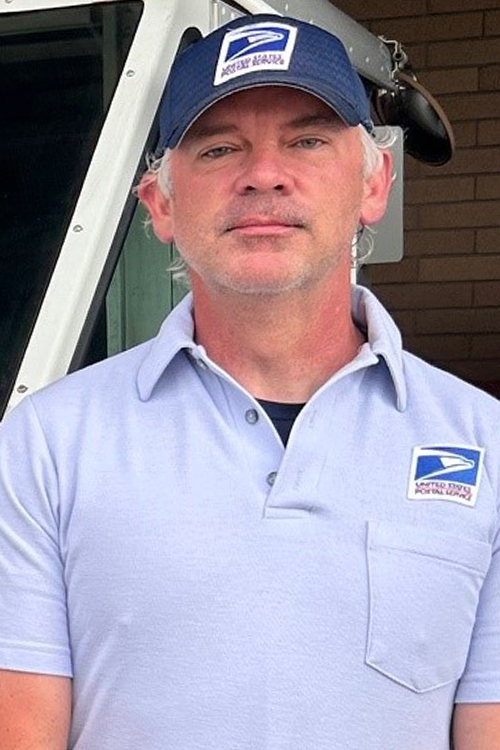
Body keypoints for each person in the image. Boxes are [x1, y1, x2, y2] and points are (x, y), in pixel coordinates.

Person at [0, 13, 499, 750]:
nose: (264, 173)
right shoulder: (46, 444)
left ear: (375, 184)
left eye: (306, 140)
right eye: (220, 147)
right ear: (160, 204)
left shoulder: (484, 443)